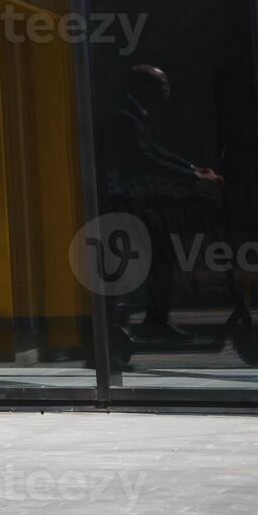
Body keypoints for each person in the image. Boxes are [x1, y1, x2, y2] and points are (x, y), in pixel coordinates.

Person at [102, 64, 222, 340]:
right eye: (162, 85)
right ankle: (151, 321)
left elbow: (155, 150)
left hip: (133, 200)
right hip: (126, 201)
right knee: (158, 252)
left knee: (161, 253)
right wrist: (190, 176)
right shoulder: (124, 117)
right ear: (145, 88)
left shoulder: (133, 114)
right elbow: (143, 159)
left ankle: (155, 320)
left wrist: (193, 169)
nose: (167, 90)